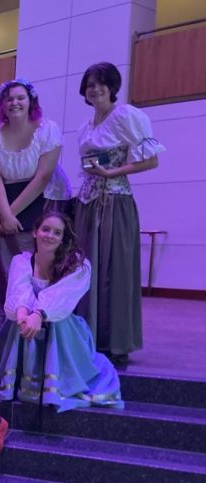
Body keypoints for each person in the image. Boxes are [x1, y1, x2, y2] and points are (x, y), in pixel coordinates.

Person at [73, 62, 165, 363]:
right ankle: (89, 336)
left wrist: (111, 171)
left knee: (114, 270)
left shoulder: (126, 115)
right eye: (90, 84)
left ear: (113, 86)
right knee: (88, 269)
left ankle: (115, 342)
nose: (95, 89)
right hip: (88, 203)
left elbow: (151, 161)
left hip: (114, 201)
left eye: (101, 83)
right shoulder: (86, 126)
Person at [0, 212, 124, 412]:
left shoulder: (79, 265)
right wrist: (23, 317)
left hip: (62, 323)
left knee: (56, 323)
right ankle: (26, 381)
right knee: (16, 323)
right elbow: (19, 291)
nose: (50, 235)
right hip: (25, 321)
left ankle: (55, 385)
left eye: (57, 232)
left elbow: (61, 297)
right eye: (46, 229)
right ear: (36, 232)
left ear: (63, 238)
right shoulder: (21, 261)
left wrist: (38, 315)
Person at [0, 78, 72, 314]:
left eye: (20, 97)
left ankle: (42, 314)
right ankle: (10, 317)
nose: (15, 103)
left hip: (43, 202)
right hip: (2, 204)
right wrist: (5, 214)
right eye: (9, 99)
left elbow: (42, 177)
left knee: (42, 262)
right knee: (7, 266)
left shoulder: (48, 130)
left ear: (31, 101)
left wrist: (12, 213)